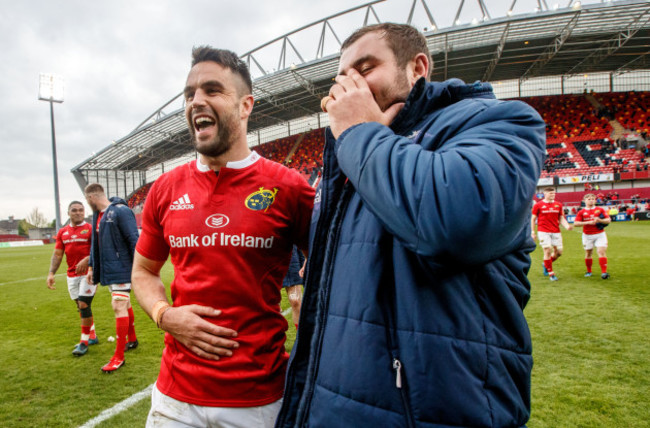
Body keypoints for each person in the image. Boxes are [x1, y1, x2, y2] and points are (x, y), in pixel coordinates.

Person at [275, 23, 545, 428]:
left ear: (417, 67)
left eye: (365, 69)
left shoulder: (499, 121)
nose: (351, 87)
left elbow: (455, 221)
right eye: (343, 77)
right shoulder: (346, 166)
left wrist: (359, 132)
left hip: (436, 411)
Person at [131, 46, 314, 428]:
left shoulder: (290, 188)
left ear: (246, 105)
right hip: (174, 399)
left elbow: (335, 269)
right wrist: (165, 315)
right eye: (189, 93)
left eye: (212, 90)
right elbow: (144, 271)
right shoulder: (165, 189)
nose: (196, 101)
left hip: (258, 401)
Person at [84, 183, 140, 372]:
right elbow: (95, 244)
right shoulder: (97, 216)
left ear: (91, 197)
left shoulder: (121, 211)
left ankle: (118, 357)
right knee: (125, 303)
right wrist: (92, 266)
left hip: (122, 267)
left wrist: (140, 269)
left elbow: (134, 239)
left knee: (118, 305)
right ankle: (131, 339)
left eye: (86, 200)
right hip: (109, 267)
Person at [47, 201, 98, 356]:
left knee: (83, 304)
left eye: (81, 210)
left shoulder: (90, 229)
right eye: (74, 210)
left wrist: (88, 259)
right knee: (80, 305)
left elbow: (99, 249)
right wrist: (51, 273)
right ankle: (93, 335)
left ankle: (83, 343)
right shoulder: (63, 232)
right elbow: (57, 255)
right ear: (68, 213)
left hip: (89, 273)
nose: (78, 213)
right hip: (71, 275)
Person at [531, 187, 573, 281]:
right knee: (547, 250)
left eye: (554, 193)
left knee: (559, 253)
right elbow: (533, 219)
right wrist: (533, 232)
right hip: (543, 231)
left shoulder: (558, 205)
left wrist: (567, 226)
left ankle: (546, 263)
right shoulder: (538, 205)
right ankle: (551, 274)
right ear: (545, 194)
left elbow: (561, 218)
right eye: (551, 193)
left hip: (556, 231)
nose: (553, 195)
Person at [573, 193, 611, 279]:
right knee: (588, 253)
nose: (591, 200)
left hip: (600, 234)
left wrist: (600, 220)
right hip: (587, 235)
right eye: (589, 199)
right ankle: (589, 271)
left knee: (601, 251)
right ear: (584, 201)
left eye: (593, 199)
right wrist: (588, 222)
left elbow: (608, 220)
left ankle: (604, 272)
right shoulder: (581, 212)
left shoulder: (600, 209)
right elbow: (575, 223)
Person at [282, 246, 306, 329]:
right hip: (266, 253)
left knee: (295, 300)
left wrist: (305, 261)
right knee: (271, 306)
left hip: (290, 254)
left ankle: (301, 338)